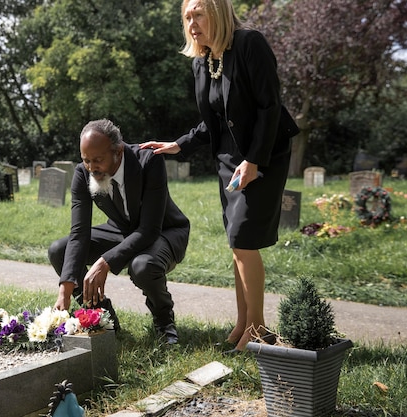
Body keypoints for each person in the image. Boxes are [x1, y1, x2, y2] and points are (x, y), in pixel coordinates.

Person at [140, 0, 299, 352]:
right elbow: (211, 122)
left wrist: (255, 161)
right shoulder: (203, 60)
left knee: (244, 238)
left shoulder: (248, 43)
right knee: (236, 244)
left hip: (263, 155)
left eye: (198, 13)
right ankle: (243, 323)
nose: (191, 22)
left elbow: (269, 106)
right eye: (186, 17)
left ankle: (258, 331)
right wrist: (178, 145)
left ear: (218, 12)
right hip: (228, 159)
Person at [49, 119, 190, 344]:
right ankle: (102, 317)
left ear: (118, 151)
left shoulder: (149, 161)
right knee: (59, 251)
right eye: (86, 160)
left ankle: (164, 321)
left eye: (98, 160)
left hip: (164, 231)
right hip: (120, 230)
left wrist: (104, 262)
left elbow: (149, 230)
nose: (91, 168)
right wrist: (65, 289)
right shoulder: (83, 173)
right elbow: (79, 233)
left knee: (142, 266)